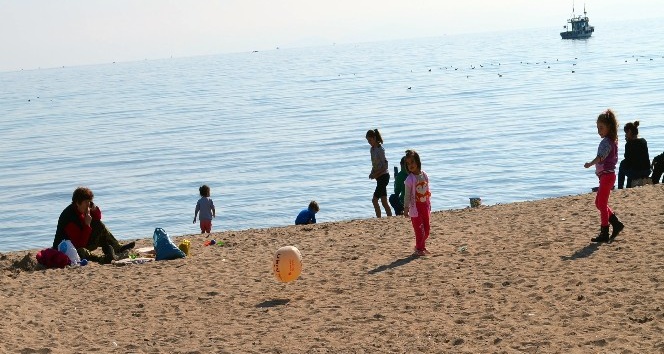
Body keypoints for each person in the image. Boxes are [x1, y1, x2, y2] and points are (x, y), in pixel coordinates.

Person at [52, 187, 135, 264]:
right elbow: (80, 244)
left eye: (90, 202)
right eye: (86, 202)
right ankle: (102, 259)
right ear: (77, 203)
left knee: (99, 225)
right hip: (66, 249)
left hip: (81, 241)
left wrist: (94, 208)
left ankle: (117, 248)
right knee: (81, 251)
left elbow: (98, 218)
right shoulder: (69, 217)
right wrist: (87, 225)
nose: (89, 205)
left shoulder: (84, 208)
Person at [584, 109, 624, 243]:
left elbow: (601, 157)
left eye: (601, 127)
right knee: (598, 203)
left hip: (607, 176)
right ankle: (616, 223)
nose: (598, 131)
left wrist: (591, 163)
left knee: (602, 203)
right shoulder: (611, 141)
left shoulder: (607, 142)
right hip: (606, 177)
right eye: (597, 128)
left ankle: (605, 231)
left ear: (609, 127)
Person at [403, 149, 431, 256]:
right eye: (408, 164)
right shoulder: (409, 180)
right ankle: (420, 249)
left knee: (427, 229)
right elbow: (407, 195)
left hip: (425, 206)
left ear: (417, 162)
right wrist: (406, 208)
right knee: (419, 230)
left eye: (412, 162)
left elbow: (427, 190)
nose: (411, 165)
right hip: (415, 208)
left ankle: (420, 246)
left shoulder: (424, 175)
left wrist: (429, 204)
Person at [366, 129, 392, 218]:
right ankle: (390, 217)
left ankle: (379, 219)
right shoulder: (372, 150)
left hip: (384, 177)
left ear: (374, 138)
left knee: (374, 200)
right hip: (378, 177)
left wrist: (376, 174)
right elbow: (374, 164)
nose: (369, 142)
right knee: (384, 201)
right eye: (368, 141)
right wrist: (372, 172)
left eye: (370, 140)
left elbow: (385, 166)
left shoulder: (380, 149)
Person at [618, 120, 651, 188]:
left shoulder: (629, 144)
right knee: (631, 166)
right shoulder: (643, 141)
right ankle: (629, 186)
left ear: (629, 131)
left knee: (622, 164)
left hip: (637, 173)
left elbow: (628, 160)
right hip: (647, 171)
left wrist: (628, 142)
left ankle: (620, 187)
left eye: (626, 133)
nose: (625, 135)